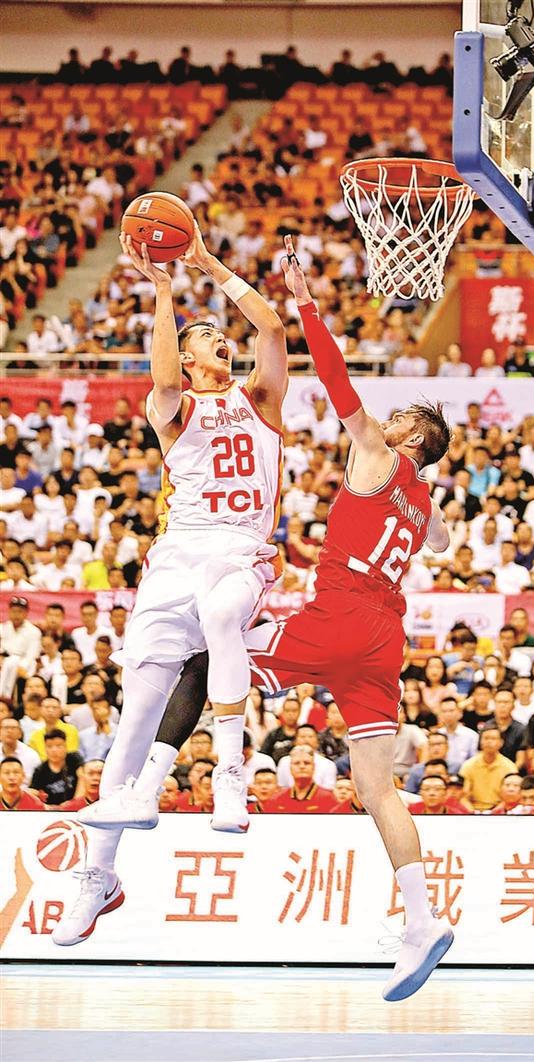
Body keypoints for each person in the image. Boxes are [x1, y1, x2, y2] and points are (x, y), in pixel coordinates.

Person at [127, 236, 454, 1001]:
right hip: (384, 640)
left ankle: (184, 778)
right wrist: (420, 507)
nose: (383, 419)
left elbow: (335, 379)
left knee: (210, 652)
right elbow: (438, 539)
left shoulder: (378, 454)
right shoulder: (424, 499)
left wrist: (306, 304)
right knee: (377, 788)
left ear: (410, 439)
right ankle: (422, 919)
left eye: (399, 419)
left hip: (338, 616)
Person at [53, 222, 288, 947]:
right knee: (133, 720)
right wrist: (161, 291)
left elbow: (273, 327)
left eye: (222, 335)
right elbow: (160, 379)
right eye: (207, 337)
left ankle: (228, 771)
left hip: (238, 549)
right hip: (176, 556)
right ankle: (98, 877)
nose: (222, 340)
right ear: (188, 358)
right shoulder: (174, 407)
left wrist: (208, 264)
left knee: (222, 617)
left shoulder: (262, 399)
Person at [261, 746, 337, 813]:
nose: (302, 766)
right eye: (297, 763)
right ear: (290, 768)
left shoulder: (328, 799)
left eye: (306, 763)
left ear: (313, 767)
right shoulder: (276, 799)